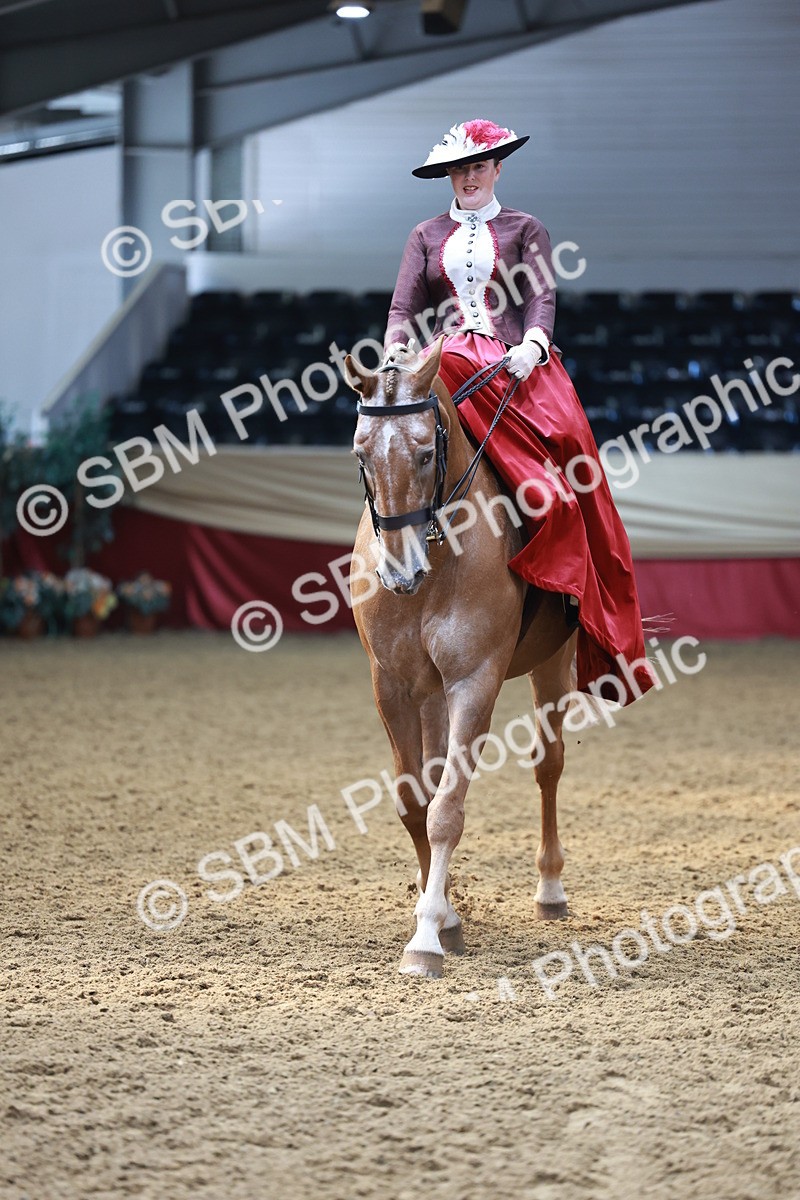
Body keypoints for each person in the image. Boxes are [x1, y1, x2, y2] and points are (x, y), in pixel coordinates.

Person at [383, 118, 654, 705]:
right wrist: (396, 354)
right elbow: (403, 309)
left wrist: (534, 343)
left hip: (514, 364)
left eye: (478, 166)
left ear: (497, 169)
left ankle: (577, 591)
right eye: (460, 169)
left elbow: (541, 297)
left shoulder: (526, 227)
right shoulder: (424, 234)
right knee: (391, 441)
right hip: (447, 360)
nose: (469, 177)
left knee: (572, 458)